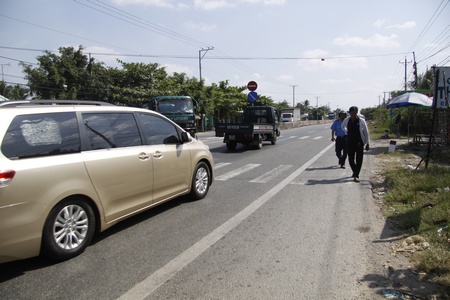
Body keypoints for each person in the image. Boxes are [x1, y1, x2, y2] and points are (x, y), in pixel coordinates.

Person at [341, 106, 370, 182]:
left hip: (359, 142)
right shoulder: (347, 120)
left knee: (359, 159)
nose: (352, 114)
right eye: (351, 113)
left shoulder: (361, 121)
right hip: (350, 142)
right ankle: (354, 171)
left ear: (356, 112)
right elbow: (342, 126)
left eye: (354, 112)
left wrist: (367, 143)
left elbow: (366, 133)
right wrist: (346, 131)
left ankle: (356, 175)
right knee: (350, 159)